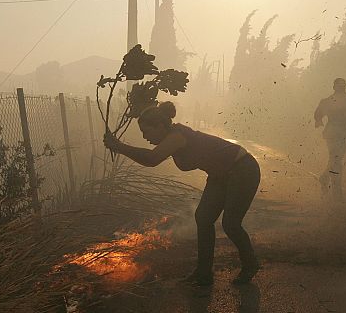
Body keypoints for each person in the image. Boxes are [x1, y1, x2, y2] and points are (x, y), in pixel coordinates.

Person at [103, 101, 261, 286]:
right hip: (221, 175)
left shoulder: (177, 136)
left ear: (160, 126)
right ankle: (203, 274)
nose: (145, 137)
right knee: (203, 217)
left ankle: (250, 265)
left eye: (147, 131)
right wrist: (118, 146)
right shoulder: (171, 138)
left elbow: (151, 159)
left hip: (243, 169)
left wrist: (119, 146)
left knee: (231, 224)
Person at [313, 77, 346, 200]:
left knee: (335, 159)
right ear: (334, 87)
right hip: (335, 133)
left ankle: (325, 178)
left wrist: (319, 120)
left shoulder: (345, 99)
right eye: (340, 86)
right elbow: (318, 114)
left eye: (342, 86)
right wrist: (319, 120)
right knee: (337, 160)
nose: (341, 88)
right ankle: (336, 192)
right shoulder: (335, 100)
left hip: (341, 133)